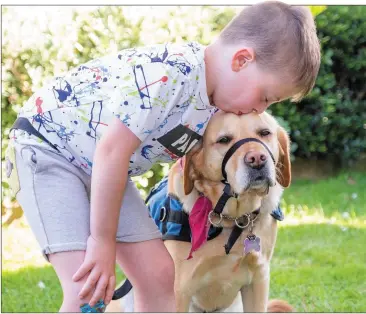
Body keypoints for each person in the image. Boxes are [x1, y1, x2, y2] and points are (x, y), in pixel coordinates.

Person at [5, 1, 320, 312]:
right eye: (265, 97)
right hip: (47, 152)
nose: (259, 110)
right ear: (241, 60)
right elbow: (112, 151)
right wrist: (102, 243)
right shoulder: (170, 74)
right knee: (88, 289)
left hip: (101, 170)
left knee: (159, 276)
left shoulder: (210, 103)